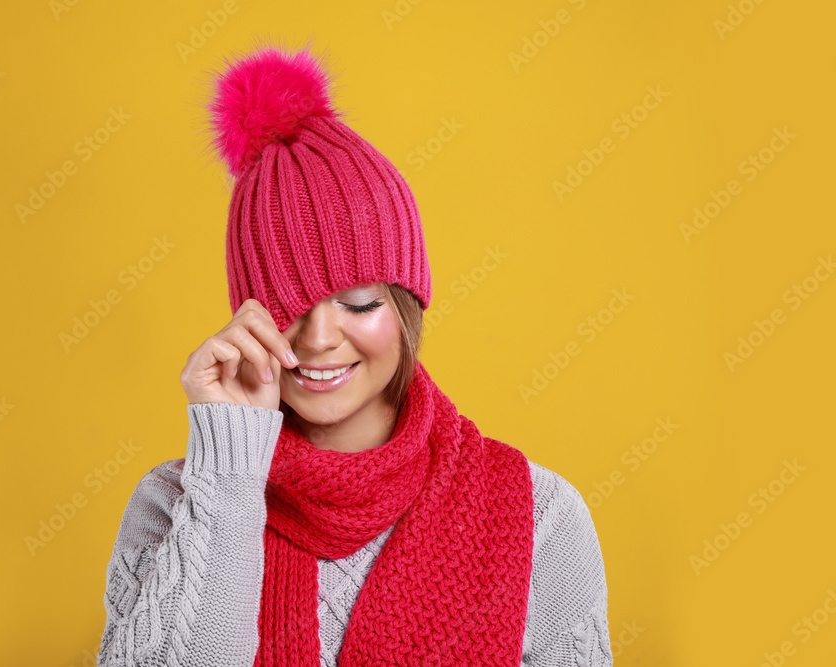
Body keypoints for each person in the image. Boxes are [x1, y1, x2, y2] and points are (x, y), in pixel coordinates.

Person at [96, 43, 612, 667]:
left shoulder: (540, 520)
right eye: (288, 305)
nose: (318, 338)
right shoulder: (175, 504)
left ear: (406, 307)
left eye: (359, 302)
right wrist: (230, 463)